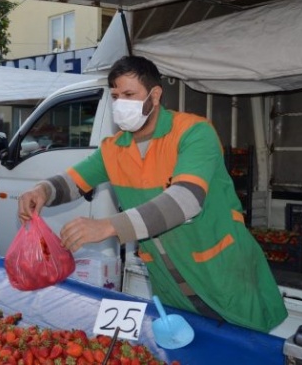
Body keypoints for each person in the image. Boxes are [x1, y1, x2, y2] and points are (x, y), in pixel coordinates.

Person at [17, 55, 287, 333]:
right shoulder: (115, 148)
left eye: (129, 94)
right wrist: (42, 191)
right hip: (169, 285)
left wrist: (109, 225)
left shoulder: (193, 133)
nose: (121, 103)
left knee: (246, 349)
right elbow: (72, 181)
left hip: (221, 273)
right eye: (115, 95)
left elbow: (186, 200)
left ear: (155, 95)